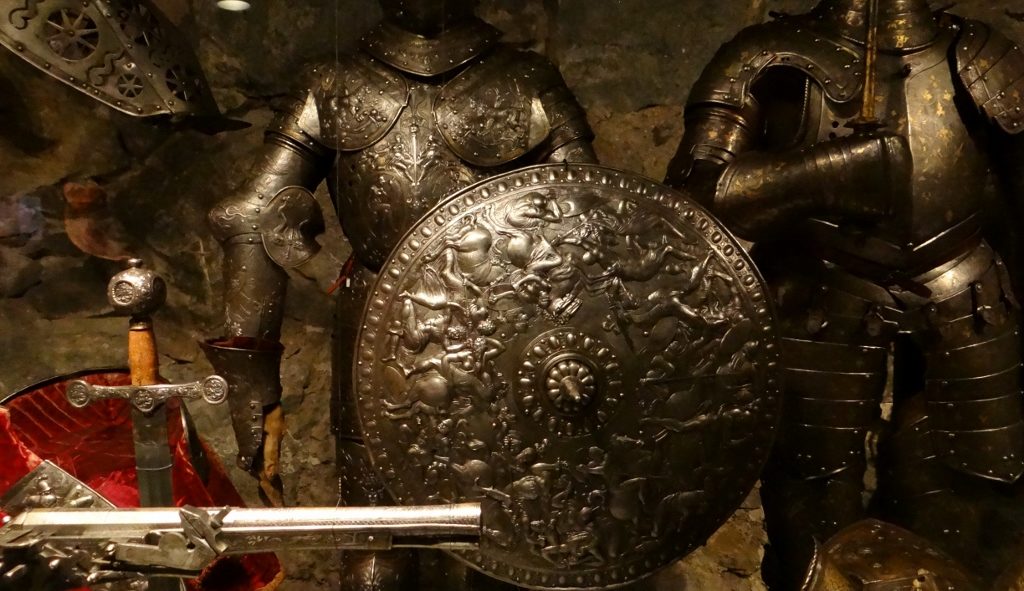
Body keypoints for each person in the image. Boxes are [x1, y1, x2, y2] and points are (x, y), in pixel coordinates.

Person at [202, 2, 595, 588]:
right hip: (377, 332)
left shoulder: (524, 79)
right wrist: (250, 380)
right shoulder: (331, 83)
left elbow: (588, 223)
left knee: (506, 548)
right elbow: (255, 217)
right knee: (377, 547)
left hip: (505, 338)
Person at [666, 0, 1024, 587]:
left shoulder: (985, 57)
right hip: (817, 310)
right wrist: (830, 170)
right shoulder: (766, 59)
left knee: (966, 544)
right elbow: (690, 202)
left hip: (970, 309)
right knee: (815, 544)